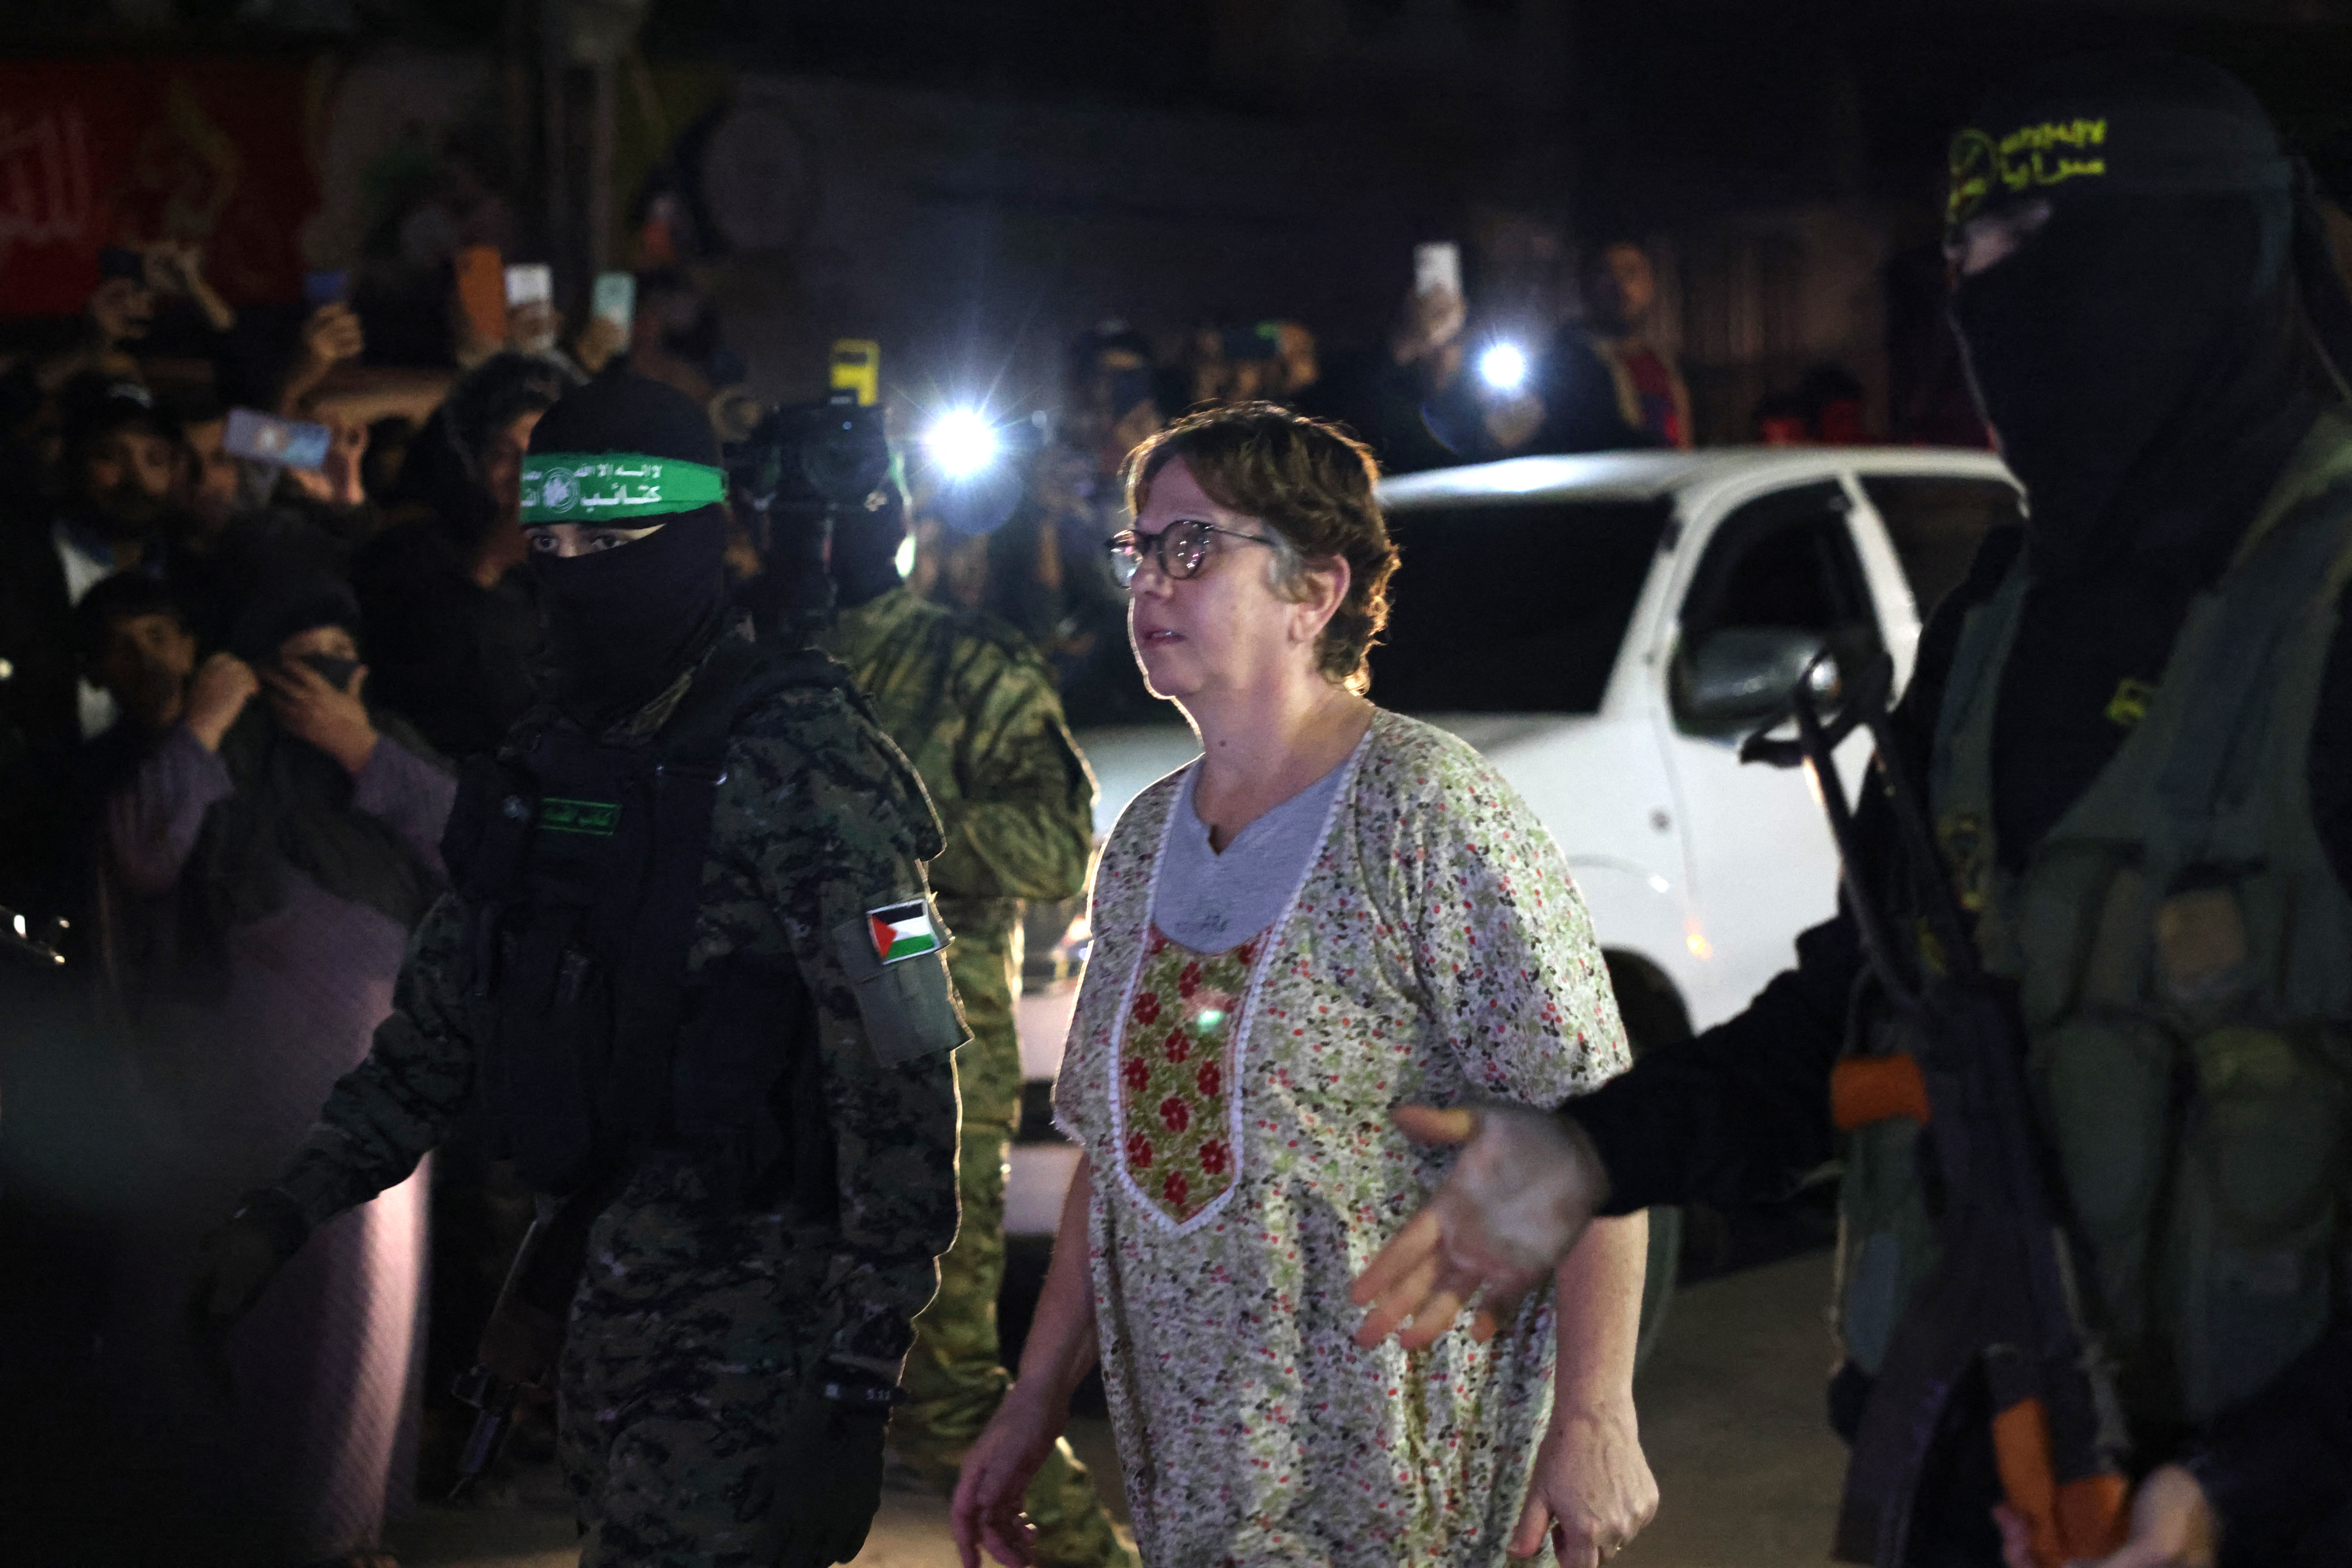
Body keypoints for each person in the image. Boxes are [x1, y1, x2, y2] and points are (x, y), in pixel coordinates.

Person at [1353, 55, 2352, 1568]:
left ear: (2192, 249)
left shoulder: (2327, 620)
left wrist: (2246, 1489)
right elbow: (1863, 1010)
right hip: (1970, 1487)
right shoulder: (1996, 627)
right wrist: (1592, 1153)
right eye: (1955, 258)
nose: (1978, 295)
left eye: (2023, 242)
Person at [190, 374, 967, 1568]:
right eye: (550, 542)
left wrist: (862, 1383)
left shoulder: (807, 761)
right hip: (601, 1317)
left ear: (700, 536)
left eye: (611, 541)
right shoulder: (548, 765)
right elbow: (437, 1033)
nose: (574, 570)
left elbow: (903, 1088)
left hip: (764, 1329)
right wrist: (285, 1210)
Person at [951, 403, 1655, 1568]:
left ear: (1313, 592)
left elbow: (1595, 1130)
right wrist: (1033, 1397)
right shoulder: (1138, 843)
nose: (1149, 584)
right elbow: (1111, 1159)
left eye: (1192, 548)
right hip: (1199, 1484)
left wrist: (1595, 1412)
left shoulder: (1426, 811)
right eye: (1139, 549)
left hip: (1400, 1474)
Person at [97, 576, 453, 1566]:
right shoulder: (218, 758)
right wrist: (205, 724)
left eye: (338, 655)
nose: (318, 679)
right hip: (232, 1101)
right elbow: (142, 853)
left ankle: (338, 1535)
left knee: (358, 1333)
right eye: (294, 660)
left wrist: (363, 749)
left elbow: (479, 854)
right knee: (235, 1321)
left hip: (371, 1108)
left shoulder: (395, 755)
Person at [812, 484, 1131, 1566]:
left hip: (925, 1071)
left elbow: (1052, 841)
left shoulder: (967, 660)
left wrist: (889, 839)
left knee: (938, 1388)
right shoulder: (731, 662)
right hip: (748, 1071)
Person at [350, 352, 566, 759]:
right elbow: (421, 674)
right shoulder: (416, 544)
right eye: (505, 454)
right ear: (474, 464)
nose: (527, 474)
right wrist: (492, 564)